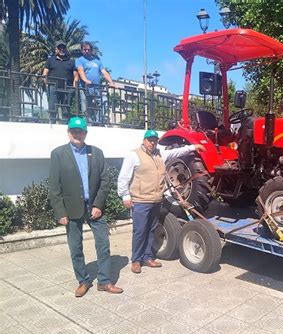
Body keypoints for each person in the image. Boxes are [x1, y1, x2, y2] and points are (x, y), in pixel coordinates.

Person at [49, 116, 123, 297]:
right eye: (74, 131)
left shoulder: (96, 153)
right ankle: (83, 280)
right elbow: (54, 185)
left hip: (94, 207)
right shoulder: (58, 154)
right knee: (75, 247)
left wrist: (98, 204)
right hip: (71, 207)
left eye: (80, 131)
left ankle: (104, 281)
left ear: (85, 133)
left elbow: (105, 180)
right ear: (68, 133)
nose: (77, 134)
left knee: (103, 244)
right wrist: (60, 211)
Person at [117, 129, 205, 274]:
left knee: (151, 230)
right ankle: (136, 260)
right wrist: (125, 196)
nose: (152, 142)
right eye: (150, 140)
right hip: (141, 201)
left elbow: (177, 152)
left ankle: (147, 257)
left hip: (156, 200)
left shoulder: (160, 154)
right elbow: (123, 178)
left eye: (154, 140)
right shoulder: (134, 155)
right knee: (140, 231)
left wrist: (194, 147)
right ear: (144, 141)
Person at [75, 41, 116, 124]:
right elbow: (80, 70)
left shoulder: (97, 61)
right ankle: (87, 124)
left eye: (88, 49)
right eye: (84, 49)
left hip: (97, 88)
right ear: (82, 50)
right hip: (85, 88)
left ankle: (98, 121)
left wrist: (111, 82)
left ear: (91, 50)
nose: (86, 51)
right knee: (85, 106)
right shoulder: (79, 60)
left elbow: (104, 72)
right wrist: (85, 80)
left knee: (104, 101)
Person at [42, 41, 78, 123]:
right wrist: (47, 84)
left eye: (63, 47)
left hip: (67, 87)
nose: (62, 49)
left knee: (66, 108)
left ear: (66, 49)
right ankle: (52, 123)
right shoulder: (50, 60)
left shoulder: (71, 62)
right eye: (59, 48)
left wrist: (73, 87)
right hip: (53, 86)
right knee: (52, 106)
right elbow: (45, 73)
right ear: (56, 49)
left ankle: (65, 124)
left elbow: (76, 76)